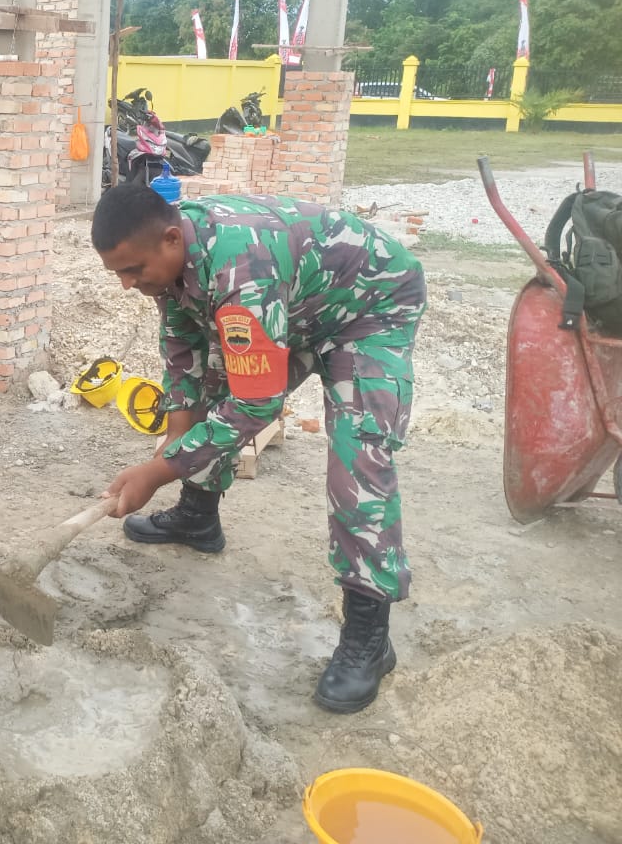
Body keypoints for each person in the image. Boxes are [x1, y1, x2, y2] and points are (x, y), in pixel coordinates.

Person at [92, 183, 426, 713]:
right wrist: (175, 445)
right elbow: (183, 355)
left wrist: (158, 472)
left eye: (133, 270)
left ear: (172, 239)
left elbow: (255, 406)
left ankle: (369, 635)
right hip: (298, 302)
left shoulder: (240, 271)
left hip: (369, 307)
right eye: (118, 274)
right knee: (215, 386)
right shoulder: (173, 264)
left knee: (357, 457)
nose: (127, 285)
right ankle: (197, 518)